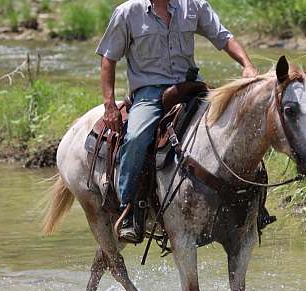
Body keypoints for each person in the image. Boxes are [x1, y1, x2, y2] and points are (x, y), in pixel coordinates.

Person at [96, 0, 257, 242]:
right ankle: (130, 208)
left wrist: (247, 65)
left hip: (191, 86)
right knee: (137, 137)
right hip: (149, 92)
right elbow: (109, 59)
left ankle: (253, 202)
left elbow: (223, 37)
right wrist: (109, 104)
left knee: (239, 120)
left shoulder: (194, 6)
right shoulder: (128, 12)